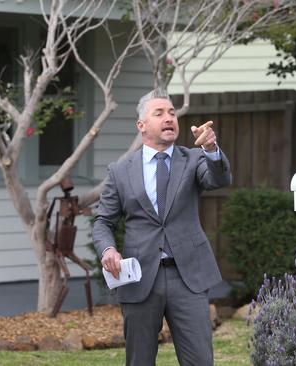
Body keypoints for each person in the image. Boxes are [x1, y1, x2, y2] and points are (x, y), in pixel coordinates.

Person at [93, 89, 232, 365]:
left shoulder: (193, 159)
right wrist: (108, 249)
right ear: (141, 126)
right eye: (159, 113)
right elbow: (103, 222)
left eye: (172, 113)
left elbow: (218, 179)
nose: (169, 118)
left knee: (200, 360)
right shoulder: (120, 171)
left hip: (188, 278)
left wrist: (211, 149)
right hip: (140, 278)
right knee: (139, 360)